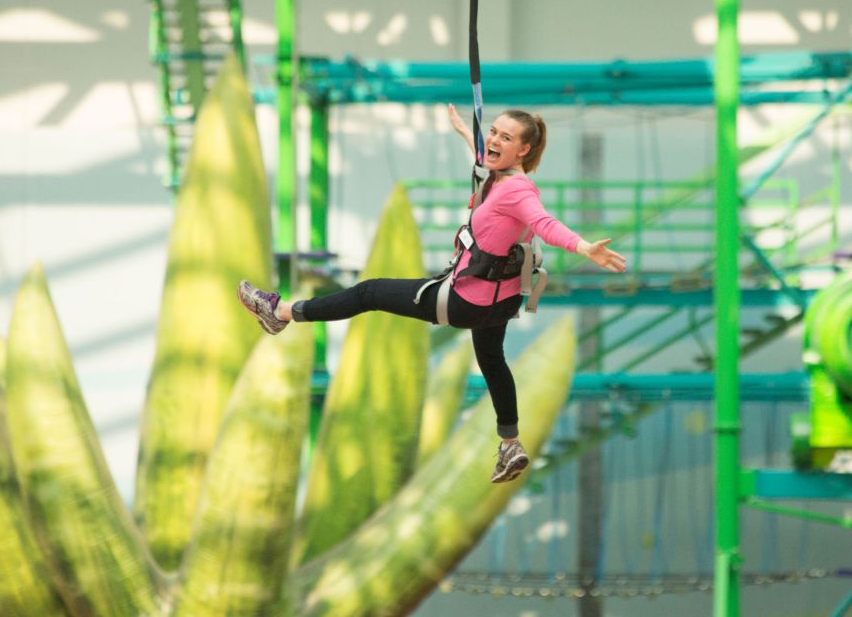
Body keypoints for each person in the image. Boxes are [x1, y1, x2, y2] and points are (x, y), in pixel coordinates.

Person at [238, 105, 626, 483]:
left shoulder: (518, 191)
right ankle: (510, 442)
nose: (492, 140)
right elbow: (483, 158)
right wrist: (467, 133)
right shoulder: (499, 175)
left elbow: (544, 223)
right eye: (492, 132)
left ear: (524, 150)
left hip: (464, 302)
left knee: (369, 292)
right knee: (493, 361)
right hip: (500, 304)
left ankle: (282, 312)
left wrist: (583, 247)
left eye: (505, 138)